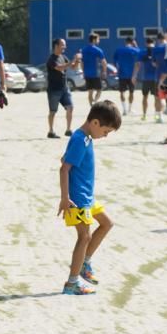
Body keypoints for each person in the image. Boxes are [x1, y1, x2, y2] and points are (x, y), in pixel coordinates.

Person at [57, 101, 120, 295]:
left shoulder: (85, 138)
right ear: (94, 122)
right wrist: (65, 198)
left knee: (107, 223)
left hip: (87, 197)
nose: (105, 136)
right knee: (84, 237)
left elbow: (65, 159)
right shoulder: (80, 139)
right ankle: (72, 283)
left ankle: (85, 263)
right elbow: (64, 168)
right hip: (77, 199)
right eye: (106, 131)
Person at [45, 38, 79, 138]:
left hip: (64, 88)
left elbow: (73, 67)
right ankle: (51, 131)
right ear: (56, 46)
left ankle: (68, 130)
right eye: (63, 45)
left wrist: (77, 61)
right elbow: (60, 67)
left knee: (70, 107)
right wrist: (72, 61)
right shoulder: (51, 59)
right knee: (53, 111)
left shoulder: (63, 57)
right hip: (54, 89)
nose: (65, 47)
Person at [112, 37, 141, 115]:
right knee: (131, 92)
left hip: (122, 74)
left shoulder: (119, 50)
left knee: (122, 92)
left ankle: (124, 110)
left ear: (125, 42)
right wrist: (136, 45)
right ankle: (129, 109)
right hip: (132, 75)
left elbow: (114, 61)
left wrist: (117, 68)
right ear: (132, 42)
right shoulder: (134, 50)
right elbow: (141, 54)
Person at [81, 33, 107, 105]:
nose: (99, 41)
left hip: (87, 74)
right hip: (96, 74)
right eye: (98, 39)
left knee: (90, 92)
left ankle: (91, 106)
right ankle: (95, 102)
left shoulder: (84, 50)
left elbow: (82, 62)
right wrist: (104, 71)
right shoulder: (98, 50)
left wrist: (83, 72)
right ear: (94, 40)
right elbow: (104, 62)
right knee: (99, 90)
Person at [137, 36, 160, 122]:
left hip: (146, 78)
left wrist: (134, 75)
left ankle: (144, 115)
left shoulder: (142, 52)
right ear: (154, 42)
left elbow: (138, 64)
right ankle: (157, 116)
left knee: (145, 97)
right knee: (157, 98)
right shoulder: (157, 51)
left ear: (146, 43)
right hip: (156, 78)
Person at [151, 32, 167, 124]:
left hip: (158, 76)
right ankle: (166, 108)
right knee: (166, 96)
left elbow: (153, 63)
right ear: (165, 37)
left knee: (157, 98)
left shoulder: (155, 49)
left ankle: (158, 117)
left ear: (158, 39)